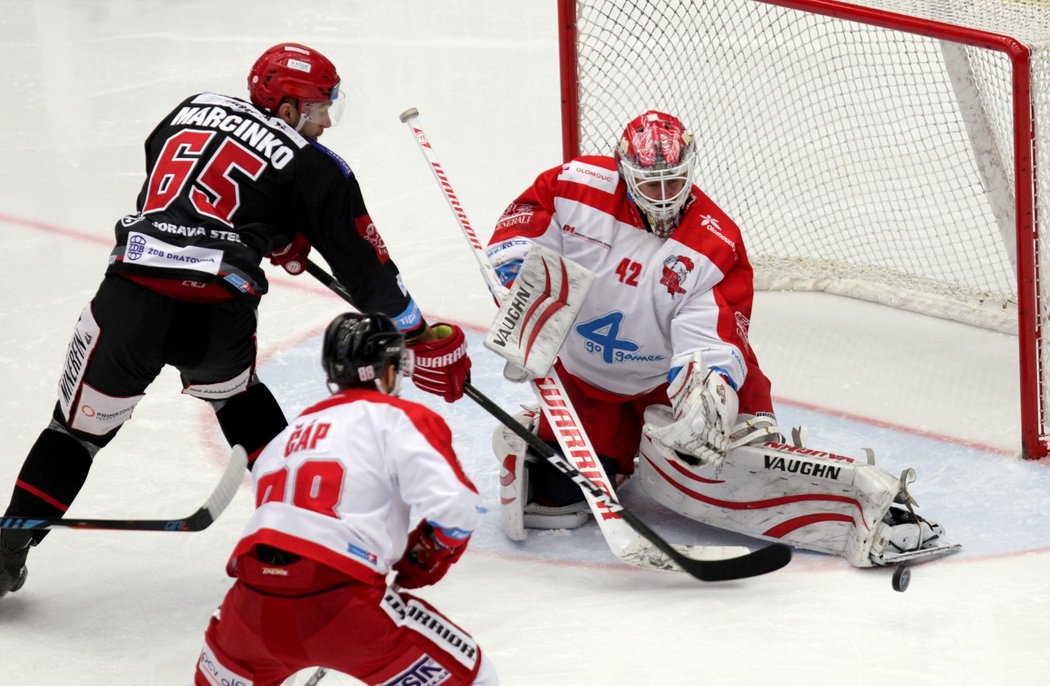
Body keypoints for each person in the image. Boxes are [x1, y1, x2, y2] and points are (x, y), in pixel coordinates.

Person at [0, 43, 472, 599]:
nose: (324, 122)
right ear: (292, 108)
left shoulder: (189, 108)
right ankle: (308, 535)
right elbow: (368, 273)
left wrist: (272, 228)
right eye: (320, 108)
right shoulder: (317, 166)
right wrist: (416, 332)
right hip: (218, 307)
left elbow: (182, 187)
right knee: (238, 399)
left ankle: (9, 547)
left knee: (74, 432)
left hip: (130, 294)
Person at [486, 110, 950, 567]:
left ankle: (869, 510)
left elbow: (712, 333)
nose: (665, 197)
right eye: (652, 184)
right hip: (591, 382)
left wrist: (707, 397)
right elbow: (527, 218)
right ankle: (553, 436)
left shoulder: (715, 241)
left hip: (666, 379)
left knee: (733, 465)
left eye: (675, 182)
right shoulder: (574, 185)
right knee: (556, 504)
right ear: (625, 171)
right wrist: (517, 264)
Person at [194, 312, 495, 686]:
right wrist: (426, 555)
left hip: (247, 610)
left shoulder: (283, 440)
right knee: (475, 677)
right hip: (342, 605)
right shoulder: (397, 417)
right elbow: (456, 509)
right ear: (390, 368)